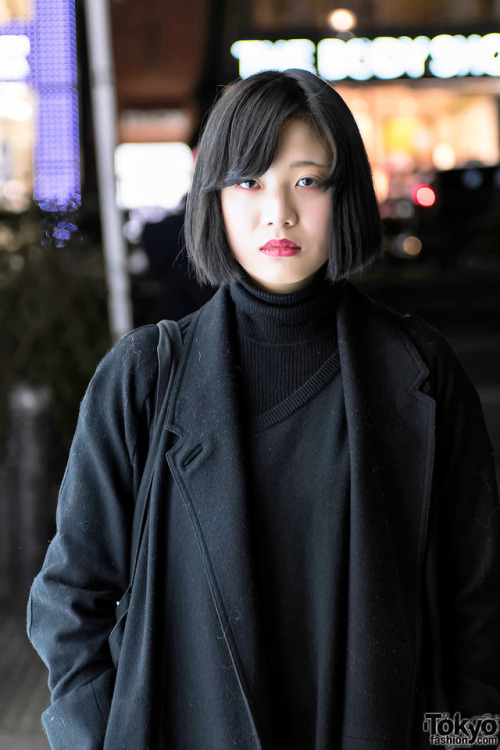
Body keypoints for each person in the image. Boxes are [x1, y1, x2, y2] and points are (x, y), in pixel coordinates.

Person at [28, 69, 500, 750]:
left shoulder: (423, 372)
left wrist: (465, 738)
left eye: (306, 180)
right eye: (249, 181)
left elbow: (478, 605)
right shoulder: (141, 378)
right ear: (213, 197)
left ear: (346, 195)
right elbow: (70, 600)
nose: (276, 211)